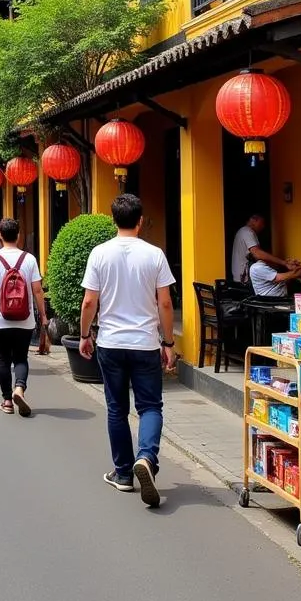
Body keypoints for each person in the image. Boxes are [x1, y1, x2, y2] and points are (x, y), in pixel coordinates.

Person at [79, 193, 177, 508]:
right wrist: (168, 342)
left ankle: (123, 474)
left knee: (116, 409)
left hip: (110, 343)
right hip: (145, 343)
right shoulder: (154, 255)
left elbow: (90, 301)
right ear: (140, 221)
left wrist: (84, 334)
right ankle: (146, 457)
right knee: (150, 407)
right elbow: (164, 302)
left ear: (113, 220)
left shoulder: (99, 253)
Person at [0, 218, 48, 416]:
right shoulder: (29, 259)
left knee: (2, 359)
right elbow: (37, 290)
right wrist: (43, 315)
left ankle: (7, 400)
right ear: (18, 235)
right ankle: (19, 388)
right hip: (24, 319)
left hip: (0, 320)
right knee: (20, 358)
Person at [231, 213, 289, 286]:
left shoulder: (242, 231)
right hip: (245, 279)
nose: (263, 226)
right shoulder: (247, 232)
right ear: (253, 220)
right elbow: (257, 254)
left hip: (241, 278)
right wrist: (284, 263)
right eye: (262, 223)